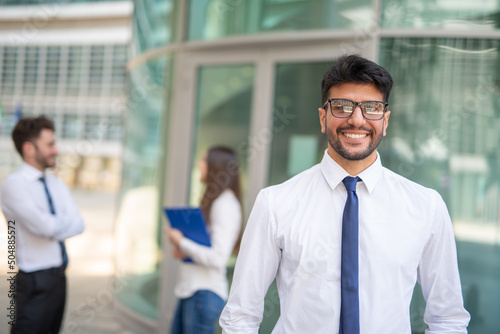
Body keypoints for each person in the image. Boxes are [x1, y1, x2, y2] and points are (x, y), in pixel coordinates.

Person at [219, 55, 470, 333]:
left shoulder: (426, 206)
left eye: (372, 108)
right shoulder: (276, 203)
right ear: (323, 117)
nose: (357, 119)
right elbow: (240, 316)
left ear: (385, 121)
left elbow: (448, 318)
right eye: (342, 106)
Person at [1, 115, 85, 334]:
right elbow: (45, 227)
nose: (55, 150)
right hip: (34, 282)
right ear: (29, 148)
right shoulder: (13, 185)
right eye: (50, 144)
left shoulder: (55, 182)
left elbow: (79, 224)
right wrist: (56, 224)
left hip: (59, 277)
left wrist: (52, 224)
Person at [165, 146, 243, 334]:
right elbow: (206, 248)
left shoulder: (225, 205)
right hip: (192, 291)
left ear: (215, 168)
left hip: (203, 294)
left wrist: (181, 241)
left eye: (204, 161)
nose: (199, 165)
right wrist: (184, 251)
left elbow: (217, 258)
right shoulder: (215, 202)